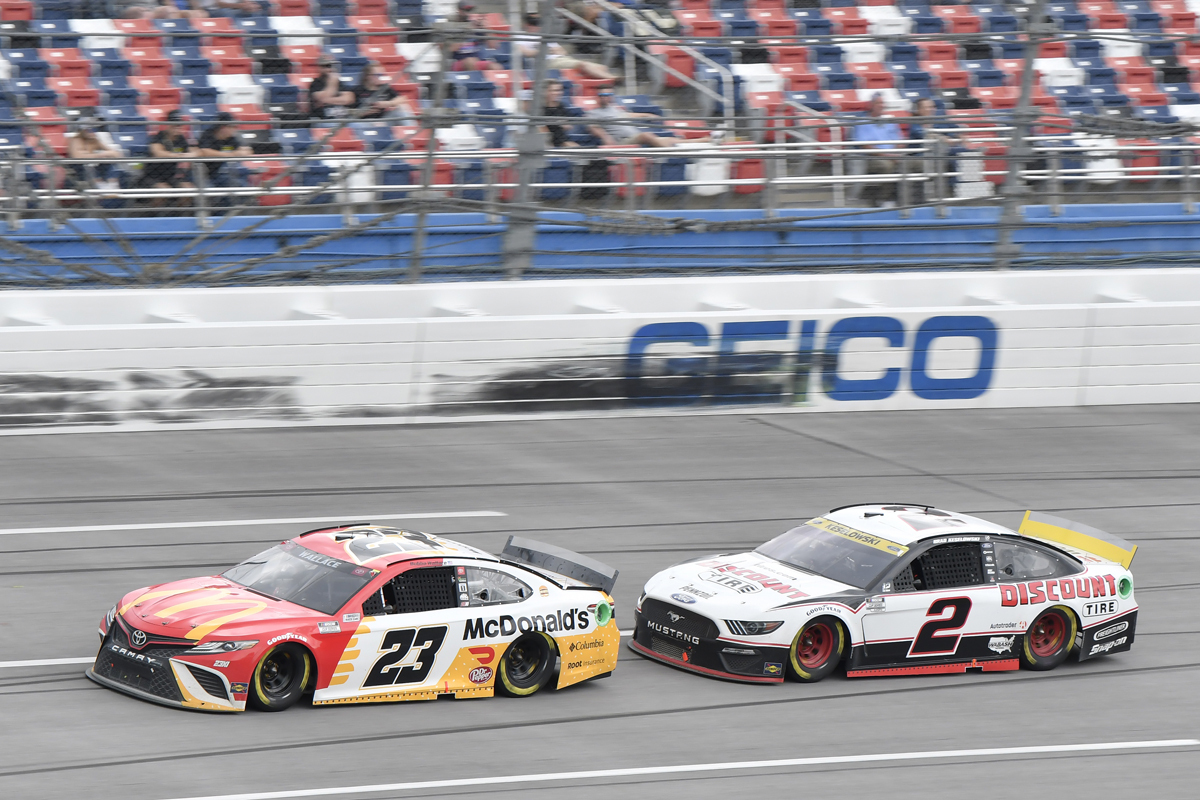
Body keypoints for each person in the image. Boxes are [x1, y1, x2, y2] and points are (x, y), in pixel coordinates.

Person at [515, 13, 615, 81]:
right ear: (526, 24)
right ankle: (613, 79)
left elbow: (563, 51)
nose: (537, 26)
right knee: (584, 65)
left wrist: (548, 50)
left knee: (602, 67)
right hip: (547, 61)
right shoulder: (520, 36)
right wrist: (546, 51)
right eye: (534, 24)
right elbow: (526, 53)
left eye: (538, 23)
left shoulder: (544, 35)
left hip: (562, 58)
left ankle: (607, 83)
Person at [849, 93, 904, 207]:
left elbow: (900, 141)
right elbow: (866, 146)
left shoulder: (889, 121)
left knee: (911, 164)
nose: (881, 105)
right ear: (871, 105)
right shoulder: (862, 122)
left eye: (883, 103)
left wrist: (895, 154)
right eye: (878, 103)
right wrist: (888, 156)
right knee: (887, 166)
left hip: (892, 155)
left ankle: (907, 200)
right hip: (872, 157)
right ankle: (882, 199)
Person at [142, 109, 199, 205]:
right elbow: (158, 153)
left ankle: (179, 212)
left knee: (189, 189)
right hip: (152, 176)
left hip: (171, 176)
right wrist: (179, 155)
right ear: (168, 124)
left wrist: (191, 154)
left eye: (179, 125)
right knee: (163, 190)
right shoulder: (159, 137)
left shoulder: (180, 139)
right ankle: (154, 213)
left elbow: (196, 151)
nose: (177, 128)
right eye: (174, 125)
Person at [197, 111, 252, 205]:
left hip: (225, 172)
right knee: (230, 184)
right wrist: (231, 154)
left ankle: (237, 208)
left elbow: (247, 150)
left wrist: (240, 151)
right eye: (232, 127)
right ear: (223, 127)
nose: (234, 129)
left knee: (242, 180)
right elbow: (204, 151)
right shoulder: (208, 135)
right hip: (208, 173)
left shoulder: (231, 138)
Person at [66, 119, 123, 194]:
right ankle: (99, 186)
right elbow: (78, 156)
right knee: (90, 166)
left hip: (95, 166)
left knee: (110, 163)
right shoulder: (76, 140)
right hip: (80, 168)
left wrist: (104, 154)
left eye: (94, 130)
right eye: (89, 130)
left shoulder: (95, 140)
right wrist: (100, 155)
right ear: (82, 131)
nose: (93, 132)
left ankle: (112, 185)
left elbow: (116, 154)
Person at [308, 56, 356, 121]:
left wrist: (328, 100)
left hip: (343, 118)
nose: (331, 69)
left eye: (332, 66)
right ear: (320, 68)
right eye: (327, 66)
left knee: (359, 124)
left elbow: (349, 99)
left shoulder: (340, 83)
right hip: (323, 120)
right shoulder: (316, 83)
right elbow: (322, 99)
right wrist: (332, 82)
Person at [541, 79, 580, 148]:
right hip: (545, 143)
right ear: (545, 91)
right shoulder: (539, 108)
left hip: (561, 141)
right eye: (554, 90)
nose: (558, 93)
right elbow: (542, 130)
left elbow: (568, 126)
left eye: (559, 90)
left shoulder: (561, 106)